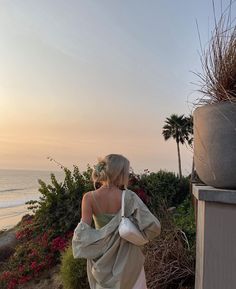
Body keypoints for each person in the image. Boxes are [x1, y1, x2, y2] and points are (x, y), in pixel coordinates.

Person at [72, 154, 161, 289]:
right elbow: (153, 227)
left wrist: (99, 241)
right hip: (128, 259)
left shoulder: (88, 198)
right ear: (120, 173)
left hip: (101, 260)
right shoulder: (129, 197)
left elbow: (83, 234)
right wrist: (139, 236)